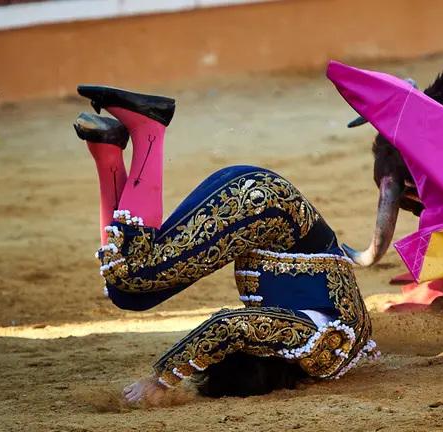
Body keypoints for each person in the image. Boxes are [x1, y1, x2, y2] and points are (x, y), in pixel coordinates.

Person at [72, 85, 378, 405]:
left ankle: (106, 151)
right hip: (260, 206)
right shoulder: (312, 345)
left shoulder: (320, 353)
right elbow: (229, 327)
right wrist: (161, 380)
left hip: (259, 210)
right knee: (137, 275)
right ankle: (149, 128)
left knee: (126, 293)